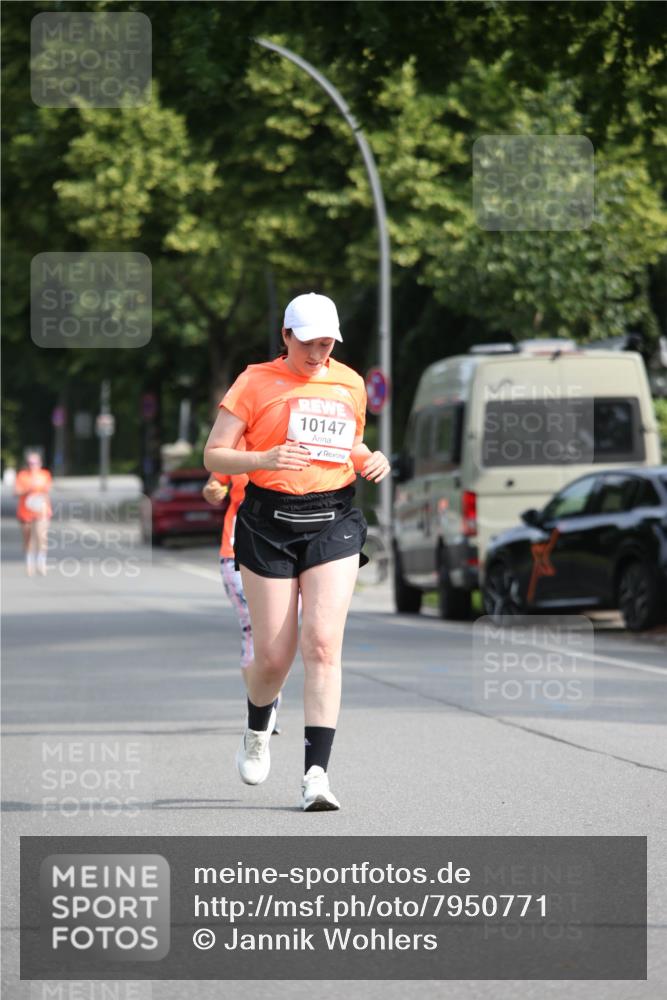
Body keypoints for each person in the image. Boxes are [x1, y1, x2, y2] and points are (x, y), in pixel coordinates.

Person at [204, 292, 390, 811]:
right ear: (286, 336)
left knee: (324, 645)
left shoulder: (349, 382)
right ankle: (257, 728)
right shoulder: (253, 382)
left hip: (334, 517)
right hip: (267, 519)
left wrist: (372, 458)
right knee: (273, 657)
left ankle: (315, 776)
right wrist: (265, 455)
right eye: (308, 343)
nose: (317, 353)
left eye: (327, 343)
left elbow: (348, 444)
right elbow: (213, 453)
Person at [202, 468, 281, 734]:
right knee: (253, 628)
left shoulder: (291, 445)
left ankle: (267, 702)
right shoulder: (234, 450)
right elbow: (213, 486)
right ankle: (262, 710)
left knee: (280, 635)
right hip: (236, 549)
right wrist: (213, 491)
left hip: (284, 554)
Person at [15, 451, 52, 576]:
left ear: (40, 463)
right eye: (30, 463)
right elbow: (16, 492)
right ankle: (30, 563)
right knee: (28, 539)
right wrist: (27, 490)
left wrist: (47, 509)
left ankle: (41, 563)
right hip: (25, 512)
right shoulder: (22, 476)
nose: (33, 465)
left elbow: (46, 491)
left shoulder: (45, 475)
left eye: (35, 463)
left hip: (41, 511)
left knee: (42, 537)